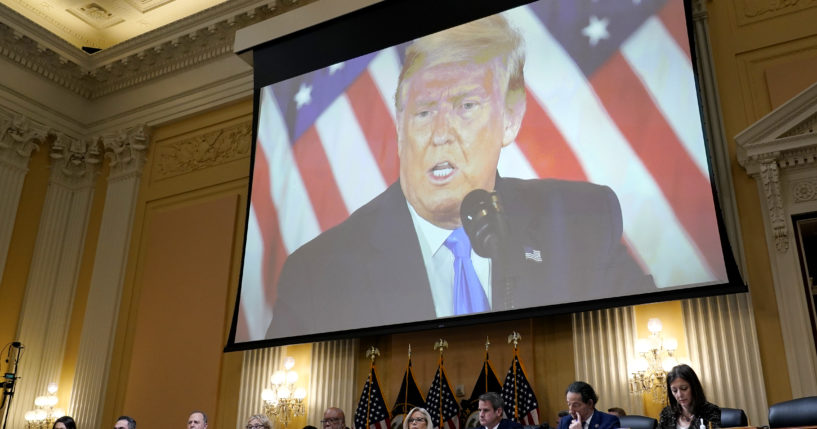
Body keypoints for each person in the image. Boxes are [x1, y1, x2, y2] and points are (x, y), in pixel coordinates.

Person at [266, 12, 654, 339]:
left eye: (466, 105)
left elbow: (635, 329)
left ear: (511, 118)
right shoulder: (318, 273)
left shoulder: (582, 221)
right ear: (400, 127)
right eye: (423, 112)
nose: (440, 134)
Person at [658, 365, 720, 429]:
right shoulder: (666, 413)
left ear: (694, 387)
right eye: (674, 391)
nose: (679, 395)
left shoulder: (711, 411)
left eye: (684, 388)